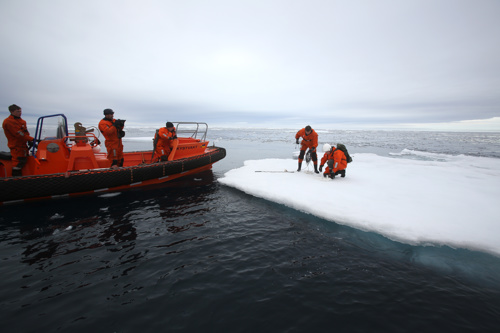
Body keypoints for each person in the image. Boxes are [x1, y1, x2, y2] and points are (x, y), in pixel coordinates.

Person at [2, 104, 34, 176]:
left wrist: (29, 140)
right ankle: (15, 180)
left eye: (20, 111)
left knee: (24, 160)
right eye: (18, 111)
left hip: (23, 146)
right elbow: (19, 134)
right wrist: (33, 139)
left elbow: (25, 132)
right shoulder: (8, 122)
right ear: (12, 111)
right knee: (18, 162)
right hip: (16, 146)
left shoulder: (22, 121)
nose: (20, 113)